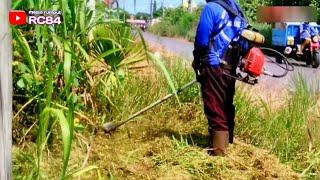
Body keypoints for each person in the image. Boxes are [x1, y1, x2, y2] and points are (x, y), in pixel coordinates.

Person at [192, 0, 249, 156]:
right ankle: (227, 142)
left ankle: (219, 151)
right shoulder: (238, 10)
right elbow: (245, 45)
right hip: (231, 68)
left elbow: (202, 41)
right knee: (226, 104)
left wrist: (197, 60)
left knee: (215, 105)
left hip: (214, 65)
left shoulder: (211, 8)